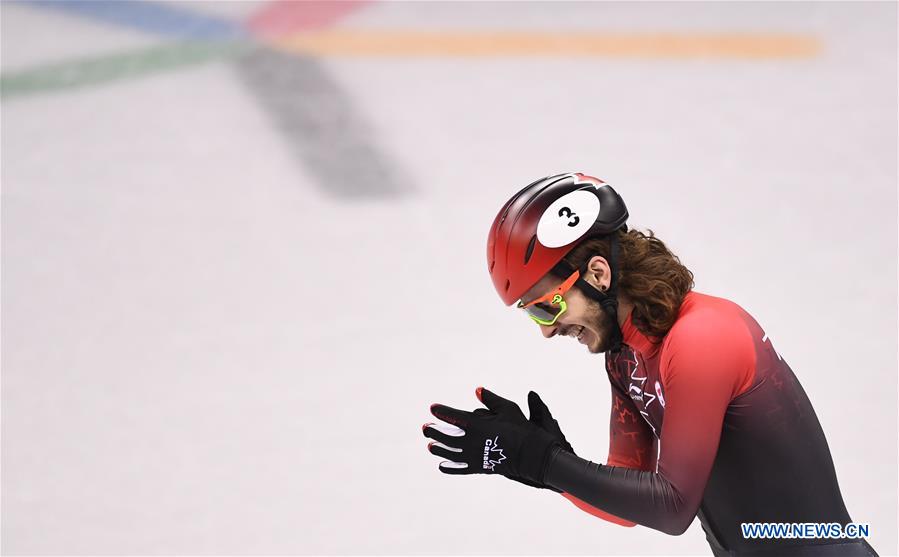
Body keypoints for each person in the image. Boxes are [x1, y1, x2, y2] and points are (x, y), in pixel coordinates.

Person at [422, 173, 878, 557]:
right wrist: (541, 467)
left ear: (598, 274)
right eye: (531, 315)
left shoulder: (703, 338)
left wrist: (545, 463)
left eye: (545, 308)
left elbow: (672, 508)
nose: (545, 330)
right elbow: (628, 503)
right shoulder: (624, 358)